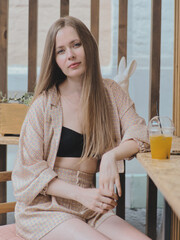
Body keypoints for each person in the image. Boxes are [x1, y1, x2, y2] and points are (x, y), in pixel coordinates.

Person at [12, 16, 151, 240]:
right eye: (61, 51)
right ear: (54, 59)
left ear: (88, 45)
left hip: (90, 208)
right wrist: (81, 195)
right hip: (46, 209)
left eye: (76, 45)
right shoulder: (44, 105)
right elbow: (28, 172)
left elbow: (141, 132)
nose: (71, 55)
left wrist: (110, 156)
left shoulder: (111, 93)